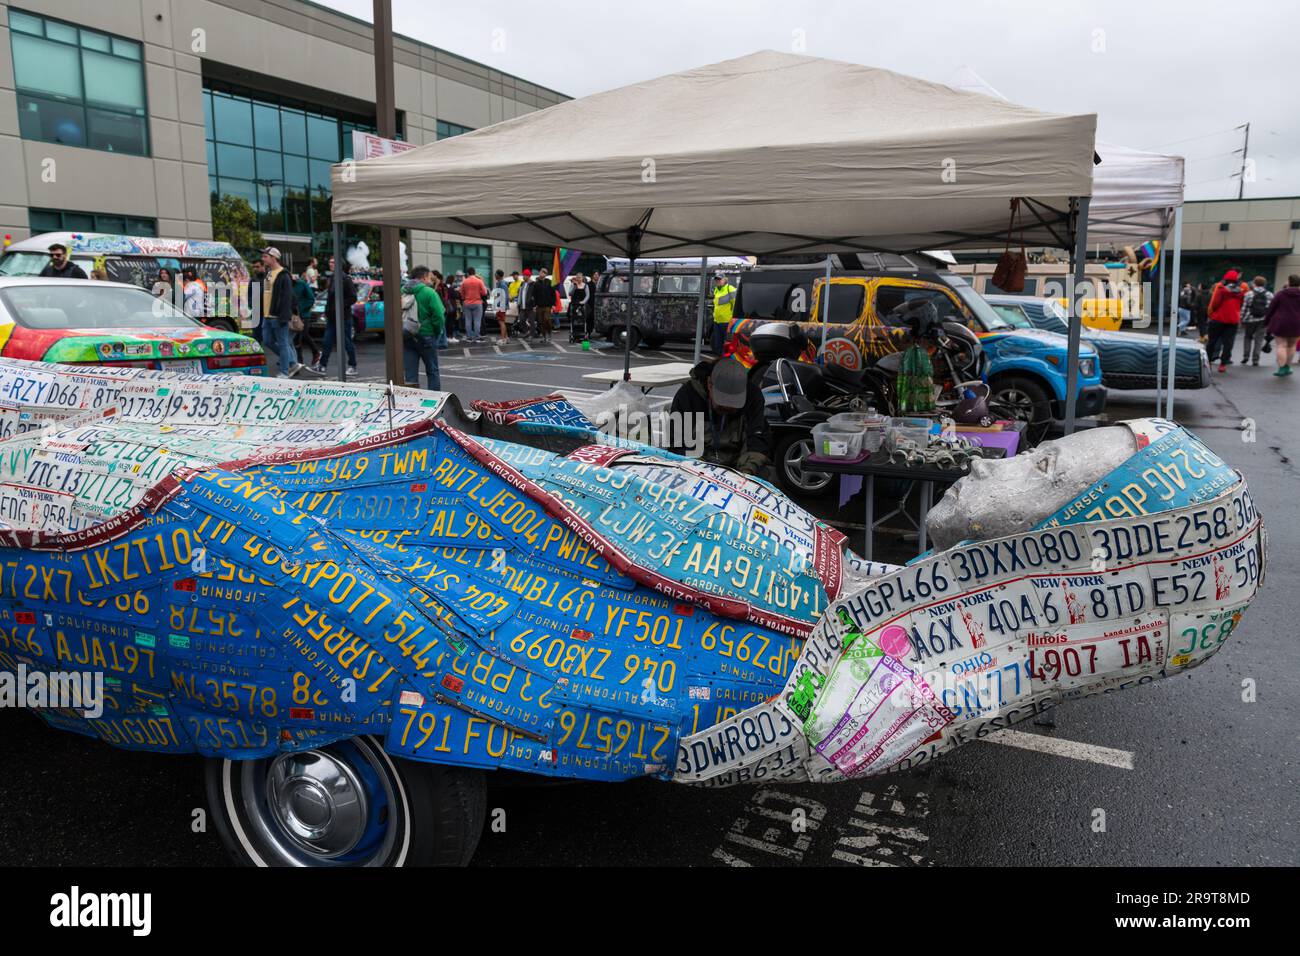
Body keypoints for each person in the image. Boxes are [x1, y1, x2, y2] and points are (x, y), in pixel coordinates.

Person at [669, 356, 771, 475]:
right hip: (696, 465)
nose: (727, 406)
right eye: (722, 400)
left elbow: (758, 440)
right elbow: (676, 443)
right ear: (709, 384)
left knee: (761, 472)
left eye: (733, 402)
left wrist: (747, 471)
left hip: (737, 466)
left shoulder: (753, 396)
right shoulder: (688, 395)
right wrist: (698, 467)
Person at [259, 247, 300, 377]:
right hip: (267, 315)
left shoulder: (283, 275)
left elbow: (287, 297)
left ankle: (284, 371)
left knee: (282, 343)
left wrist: (284, 316)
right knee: (267, 341)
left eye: (265, 256)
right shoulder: (268, 273)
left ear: (274, 258)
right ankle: (292, 362)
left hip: (277, 316)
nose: (263, 259)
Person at [315, 256, 357, 375]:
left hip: (343, 317)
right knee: (327, 341)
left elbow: (353, 297)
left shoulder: (346, 279)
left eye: (333, 262)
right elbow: (330, 298)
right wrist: (328, 310)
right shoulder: (333, 278)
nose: (330, 264)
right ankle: (322, 366)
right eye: (330, 261)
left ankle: (352, 365)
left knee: (346, 342)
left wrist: (340, 305)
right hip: (332, 317)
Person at [404, 266, 444, 389]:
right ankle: (434, 401)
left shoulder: (402, 291)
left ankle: (412, 403)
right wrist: (437, 332)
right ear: (423, 277)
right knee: (432, 371)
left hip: (406, 333)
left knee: (410, 374)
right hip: (426, 334)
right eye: (429, 278)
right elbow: (439, 315)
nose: (430, 281)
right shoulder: (429, 292)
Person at [1206, 269, 1247, 373]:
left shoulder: (1221, 289)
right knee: (1228, 343)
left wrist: (1211, 313)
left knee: (1212, 341)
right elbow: (1241, 305)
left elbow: (1215, 303)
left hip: (1218, 318)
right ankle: (1223, 364)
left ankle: (1208, 362)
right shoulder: (1241, 292)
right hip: (1233, 320)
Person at [1265, 274, 1300, 377]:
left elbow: (1271, 309)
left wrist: (1266, 322)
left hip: (1281, 322)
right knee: (1292, 346)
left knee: (1281, 345)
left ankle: (1281, 368)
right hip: (1297, 323)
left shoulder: (1280, 294)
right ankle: (1287, 367)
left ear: (1289, 282)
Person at [1238, 276, 1273, 367]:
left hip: (1250, 319)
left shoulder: (1249, 294)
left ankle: (1246, 357)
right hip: (1263, 320)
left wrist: (1241, 319)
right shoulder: (1269, 294)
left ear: (1254, 283)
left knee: (1248, 337)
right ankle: (1255, 359)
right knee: (1259, 339)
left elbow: (1244, 308)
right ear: (1264, 284)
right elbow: (1270, 309)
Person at [293, 266, 322, 368]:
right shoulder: (286, 286)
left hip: (304, 315)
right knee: (296, 339)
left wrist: (302, 309)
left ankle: (315, 352)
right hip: (294, 316)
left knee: (303, 335)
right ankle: (299, 361)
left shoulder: (301, 284)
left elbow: (311, 298)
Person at [459, 266, 488, 343]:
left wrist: (464, 297)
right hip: (477, 303)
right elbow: (484, 292)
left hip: (467, 303)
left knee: (468, 320)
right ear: (474, 272)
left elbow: (461, 293)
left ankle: (469, 337)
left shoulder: (464, 282)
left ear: (468, 273)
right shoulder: (479, 281)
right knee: (477, 321)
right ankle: (477, 337)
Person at [711, 272, 738, 354]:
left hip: (727, 322)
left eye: (719, 279)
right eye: (716, 279)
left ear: (724, 280)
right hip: (717, 321)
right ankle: (720, 359)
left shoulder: (730, 289)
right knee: (717, 344)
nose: (718, 281)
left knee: (728, 343)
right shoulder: (716, 290)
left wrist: (734, 318)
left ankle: (727, 361)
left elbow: (736, 304)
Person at [532, 268, 557, 341]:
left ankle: (549, 333)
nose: (542, 274)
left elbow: (553, 294)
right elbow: (534, 295)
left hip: (547, 306)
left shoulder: (549, 282)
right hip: (539, 306)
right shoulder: (536, 283)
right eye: (541, 272)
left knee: (547, 320)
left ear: (546, 274)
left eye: (544, 273)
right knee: (540, 322)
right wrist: (534, 305)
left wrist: (553, 304)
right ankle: (544, 336)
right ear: (539, 273)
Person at [567, 274, 590, 343]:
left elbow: (587, 295)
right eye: (577, 278)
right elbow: (570, 293)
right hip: (574, 304)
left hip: (582, 304)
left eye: (580, 277)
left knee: (583, 319)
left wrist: (583, 302)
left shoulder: (586, 286)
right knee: (574, 319)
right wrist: (574, 286)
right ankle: (574, 335)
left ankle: (583, 334)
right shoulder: (573, 284)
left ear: (582, 278)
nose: (579, 279)